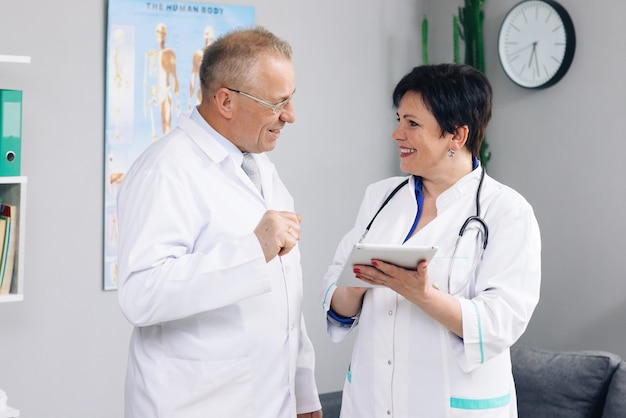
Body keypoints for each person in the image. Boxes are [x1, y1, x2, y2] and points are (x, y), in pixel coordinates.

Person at [117, 26, 322, 418]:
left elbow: (284, 291)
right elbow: (140, 295)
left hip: (270, 400)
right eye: (278, 102)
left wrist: (303, 389)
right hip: (195, 404)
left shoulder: (259, 166)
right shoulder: (165, 170)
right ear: (226, 100)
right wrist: (253, 249)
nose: (290, 116)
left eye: (291, 99)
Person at [321, 63, 541, 417]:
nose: (396, 134)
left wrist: (422, 295)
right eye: (398, 119)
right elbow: (335, 298)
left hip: (451, 404)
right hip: (371, 401)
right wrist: (357, 286)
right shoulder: (379, 198)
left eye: (412, 124)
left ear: (456, 135)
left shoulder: (507, 212)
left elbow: (502, 322)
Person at [144, 23, 180, 140]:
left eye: (163, 32)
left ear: (166, 34)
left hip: (165, 91)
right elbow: (146, 78)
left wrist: (178, 99)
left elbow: (174, 77)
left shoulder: (169, 53)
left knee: (166, 126)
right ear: (155, 33)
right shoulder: (150, 54)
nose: (161, 35)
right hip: (154, 93)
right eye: (159, 32)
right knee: (153, 128)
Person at [188, 25, 215, 111]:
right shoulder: (198, 54)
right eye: (205, 34)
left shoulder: (221, 57)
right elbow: (193, 78)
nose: (207, 37)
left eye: (209, 34)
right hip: (201, 96)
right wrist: (189, 99)